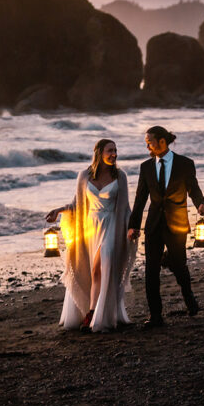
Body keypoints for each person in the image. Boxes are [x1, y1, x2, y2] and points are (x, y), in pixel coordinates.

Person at [45, 139, 137, 332]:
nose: (114, 154)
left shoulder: (120, 176)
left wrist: (132, 227)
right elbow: (77, 204)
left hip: (112, 225)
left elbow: (125, 208)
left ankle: (95, 314)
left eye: (115, 150)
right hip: (90, 227)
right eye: (110, 151)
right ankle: (92, 313)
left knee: (104, 265)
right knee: (94, 271)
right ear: (99, 153)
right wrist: (59, 210)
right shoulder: (84, 175)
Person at [127, 126, 204, 327]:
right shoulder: (145, 167)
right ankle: (156, 316)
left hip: (177, 224)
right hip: (153, 225)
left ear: (162, 141)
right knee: (151, 271)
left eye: (150, 141)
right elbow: (140, 199)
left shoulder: (184, 164)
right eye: (146, 141)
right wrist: (133, 226)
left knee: (180, 265)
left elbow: (193, 188)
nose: (147, 145)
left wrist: (200, 203)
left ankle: (189, 298)